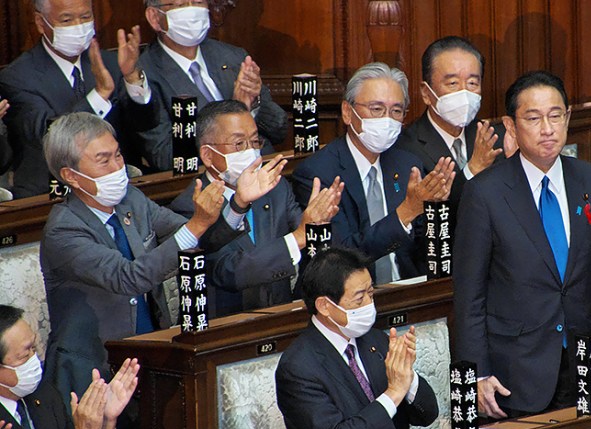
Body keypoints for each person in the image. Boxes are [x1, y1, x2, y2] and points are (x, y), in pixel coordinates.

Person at [40, 111, 281, 401]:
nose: (119, 168)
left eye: (118, 156)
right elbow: (129, 278)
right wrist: (197, 223)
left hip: (150, 352)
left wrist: (239, 203)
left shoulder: (131, 200)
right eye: (104, 160)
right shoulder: (63, 230)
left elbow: (195, 238)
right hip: (92, 368)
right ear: (70, 175)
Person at [453, 70, 591, 418]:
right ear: (511, 124)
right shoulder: (485, 194)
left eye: (555, 116)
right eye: (533, 118)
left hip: (586, 362)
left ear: (567, 118)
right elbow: (469, 294)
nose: (547, 129)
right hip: (516, 370)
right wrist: (478, 372)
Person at [275, 247, 438, 429]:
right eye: (359, 298)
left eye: (371, 293)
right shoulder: (298, 367)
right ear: (324, 306)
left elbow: (427, 414)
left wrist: (408, 379)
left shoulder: (374, 340)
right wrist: (394, 393)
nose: (369, 305)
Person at [169, 100, 344, 317]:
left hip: (282, 317)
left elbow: (309, 239)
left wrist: (318, 223)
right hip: (226, 329)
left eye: (254, 142)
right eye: (239, 144)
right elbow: (229, 271)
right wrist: (299, 236)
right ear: (207, 155)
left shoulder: (275, 189)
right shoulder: (189, 208)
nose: (251, 152)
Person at [291, 62, 455, 285]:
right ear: (348, 113)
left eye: (396, 111)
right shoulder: (319, 174)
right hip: (353, 298)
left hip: (408, 290)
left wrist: (437, 209)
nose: (387, 119)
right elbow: (340, 258)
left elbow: (424, 246)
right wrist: (405, 213)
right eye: (376, 109)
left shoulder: (408, 165)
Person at [0, 0, 157, 198]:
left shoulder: (112, 63)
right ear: (41, 23)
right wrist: (99, 96)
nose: (78, 25)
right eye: (67, 19)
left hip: (117, 189)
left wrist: (133, 79)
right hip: (51, 196)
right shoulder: (18, 77)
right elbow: (49, 136)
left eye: (85, 17)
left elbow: (144, 125)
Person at [0, 304, 141, 429]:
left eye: (34, 347)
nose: (35, 360)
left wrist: (105, 423)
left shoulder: (45, 395)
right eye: (24, 356)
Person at [138, 0, 288, 172]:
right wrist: (236, 111)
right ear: (154, 17)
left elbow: (279, 130)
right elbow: (164, 157)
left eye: (198, 2)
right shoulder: (144, 75)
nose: (192, 10)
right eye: (180, 5)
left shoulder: (233, 56)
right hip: (205, 186)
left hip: (265, 174)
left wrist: (254, 105)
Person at [395, 36, 504, 225]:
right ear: (426, 93)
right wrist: (472, 171)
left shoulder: (494, 137)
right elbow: (422, 223)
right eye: (453, 83)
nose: (464, 93)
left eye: (472, 83)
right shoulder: (405, 148)